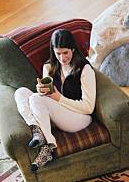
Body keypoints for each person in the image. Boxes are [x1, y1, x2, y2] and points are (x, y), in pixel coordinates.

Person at [14, 28, 96, 172]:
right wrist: (41, 91)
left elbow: (89, 108)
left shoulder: (84, 69)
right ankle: (36, 129)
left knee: (35, 99)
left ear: (73, 49)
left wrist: (59, 98)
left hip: (79, 118)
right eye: (58, 53)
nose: (62, 58)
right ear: (53, 51)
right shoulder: (49, 66)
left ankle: (48, 146)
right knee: (21, 93)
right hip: (56, 115)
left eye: (66, 53)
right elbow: (47, 98)